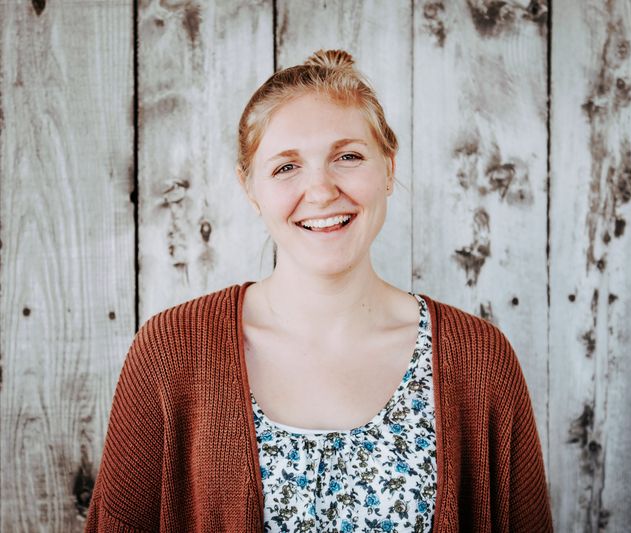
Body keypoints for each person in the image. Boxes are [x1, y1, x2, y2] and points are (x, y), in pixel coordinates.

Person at [85, 49, 552, 533]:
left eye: (347, 157)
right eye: (286, 167)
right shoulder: (171, 351)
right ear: (250, 188)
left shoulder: (480, 361)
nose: (322, 190)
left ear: (389, 169)